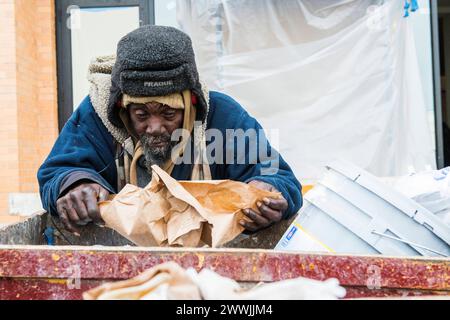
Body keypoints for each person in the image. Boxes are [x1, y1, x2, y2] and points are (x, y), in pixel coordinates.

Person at [38, 25, 302, 236]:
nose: (154, 128)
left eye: (168, 113)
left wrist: (267, 191)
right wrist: (75, 184)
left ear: (191, 104)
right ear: (122, 108)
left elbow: (280, 178)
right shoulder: (97, 114)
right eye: (141, 115)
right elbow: (57, 172)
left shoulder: (223, 115)